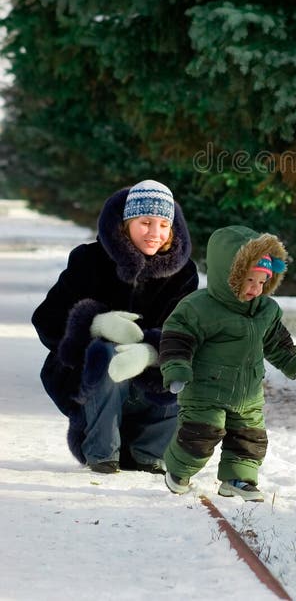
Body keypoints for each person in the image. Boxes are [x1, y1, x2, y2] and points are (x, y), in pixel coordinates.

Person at [32, 179, 199, 474]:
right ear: (126, 223)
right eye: (145, 222)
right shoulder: (88, 260)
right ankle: (102, 452)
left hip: (149, 389)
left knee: (185, 365)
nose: (154, 233)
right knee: (105, 354)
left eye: (163, 225)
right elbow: (46, 319)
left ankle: (151, 453)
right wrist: (94, 325)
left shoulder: (183, 273)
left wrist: (151, 352)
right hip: (92, 385)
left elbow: (187, 333)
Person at [159, 225, 296, 501]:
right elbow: (177, 338)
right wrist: (177, 368)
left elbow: (277, 341)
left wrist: (293, 361)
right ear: (230, 276)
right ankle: (178, 470)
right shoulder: (199, 308)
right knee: (200, 435)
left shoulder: (267, 310)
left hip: (248, 391)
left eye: (263, 282)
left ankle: (238, 480)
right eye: (250, 280)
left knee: (250, 439)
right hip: (206, 391)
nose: (256, 289)